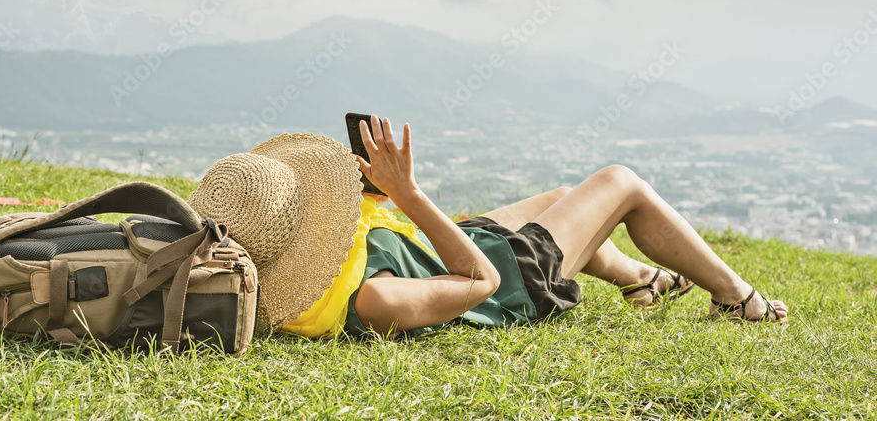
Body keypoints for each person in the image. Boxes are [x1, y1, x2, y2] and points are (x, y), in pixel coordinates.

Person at [187, 120, 786, 340]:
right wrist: (411, 196)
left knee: (557, 197)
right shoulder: (376, 299)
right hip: (513, 277)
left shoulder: (300, 275)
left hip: (449, 245)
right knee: (620, 183)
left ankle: (640, 280)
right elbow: (481, 278)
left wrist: (371, 195)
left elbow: (387, 242)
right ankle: (739, 300)